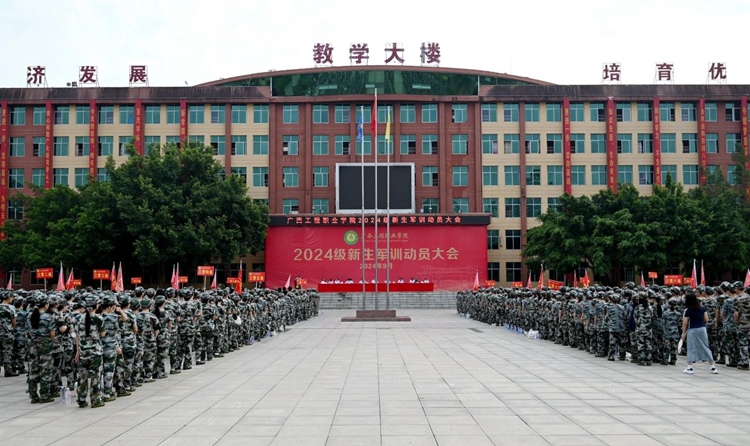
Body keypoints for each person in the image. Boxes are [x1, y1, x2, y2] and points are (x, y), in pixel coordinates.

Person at [681, 293, 718, 375]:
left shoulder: (687, 310)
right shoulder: (702, 308)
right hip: (702, 329)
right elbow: (706, 319)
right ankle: (713, 367)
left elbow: (685, 323)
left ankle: (690, 367)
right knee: (706, 347)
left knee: (691, 348)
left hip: (692, 329)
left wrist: (683, 333)